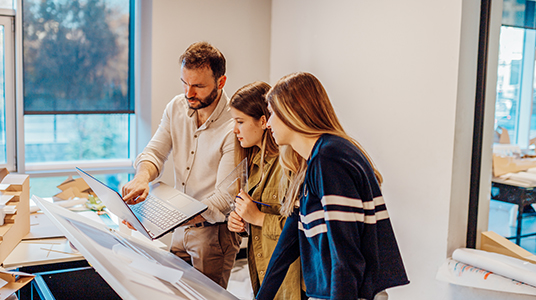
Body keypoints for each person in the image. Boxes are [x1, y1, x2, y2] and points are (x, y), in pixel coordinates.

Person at [256, 72, 409, 300]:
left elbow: (345, 255)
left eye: (271, 113)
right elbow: (286, 247)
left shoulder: (330, 160)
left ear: (292, 112)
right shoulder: (314, 163)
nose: (267, 123)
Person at [121, 41, 241, 288]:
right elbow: (154, 152)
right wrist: (142, 177)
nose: (189, 93)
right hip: (180, 227)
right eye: (185, 83)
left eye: (198, 86)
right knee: (173, 292)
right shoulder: (176, 107)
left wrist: (165, 217)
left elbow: (223, 199)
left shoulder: (234, 125)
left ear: (221, 82)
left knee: (205, 295)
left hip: (214, 233)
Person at [226, 81, 305, 299]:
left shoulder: (289, 165)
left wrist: (258, 217)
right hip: (264, 276)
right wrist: (241, 221)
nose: (235, 130)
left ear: (263, 121)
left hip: (291, 284)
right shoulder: (252, 166)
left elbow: (301, 230)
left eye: (240, 121)